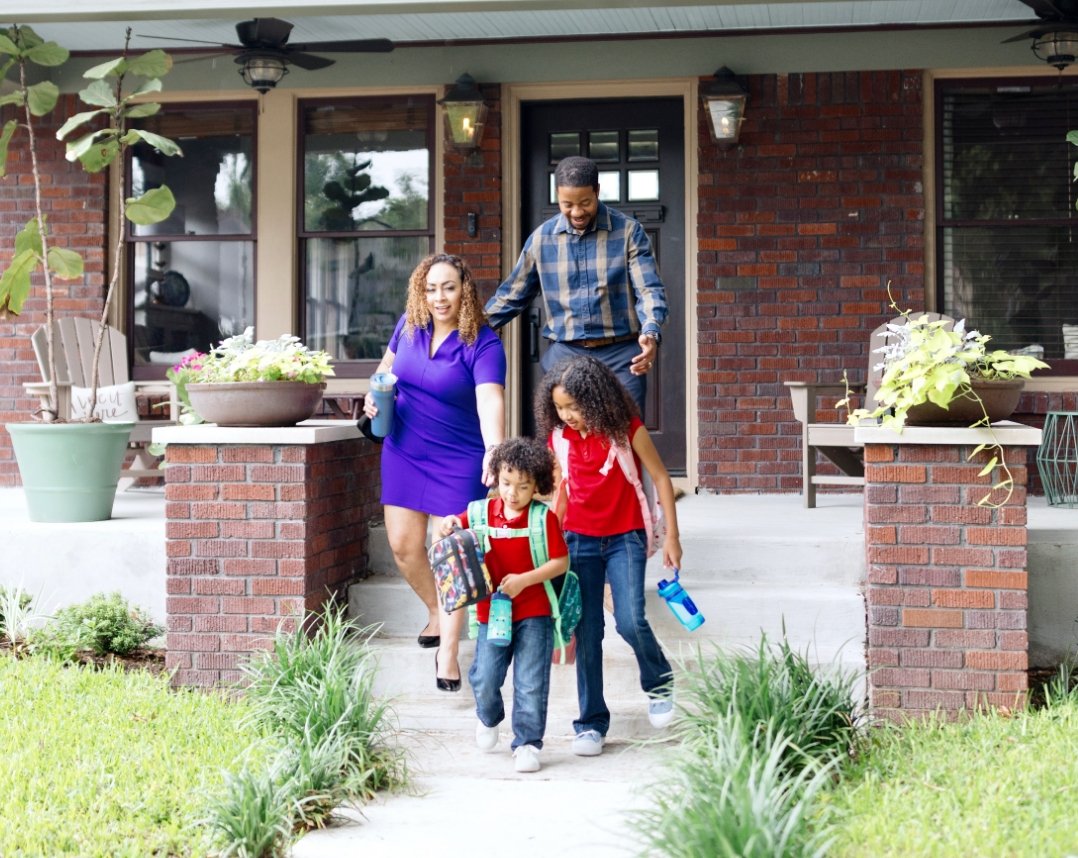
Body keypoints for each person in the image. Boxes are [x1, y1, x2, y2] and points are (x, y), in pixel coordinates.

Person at [363, 253, 506, 692]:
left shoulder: (483, 343)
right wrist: (372, 396)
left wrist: (494, 450)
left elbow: (489, 400)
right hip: (404, 449)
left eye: (448, 287)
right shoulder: (408, 326)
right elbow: (385, 371)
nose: (439, 297)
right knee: (405, 547)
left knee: (450, 554)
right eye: (430, 288)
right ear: (419, 292)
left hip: (457, 458)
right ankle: (435, 610)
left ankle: (448, 650)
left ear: (465, 289)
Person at [535, 354, 681, 757]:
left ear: (596, 399)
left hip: (625, 538)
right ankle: (590, 723)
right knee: (588, 632)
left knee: (631, 620)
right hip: (579, 541)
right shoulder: (559, 439)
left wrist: (673, 538)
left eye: (574, 407)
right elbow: (562, 488)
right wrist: (550, 537)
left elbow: (661, 477)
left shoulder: (625, 431)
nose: (566, 416)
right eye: (559, 408)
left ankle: (659, 683)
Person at [484, 155, 667, 416]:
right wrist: (464, 331)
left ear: (597, 192)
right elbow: (511, 296)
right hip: (564, 356)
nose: (577, 212)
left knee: (624, 443)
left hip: (621, 356)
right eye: (567, 204)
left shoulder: (628, 232)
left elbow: (648, 290)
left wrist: (650, 331)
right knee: (566, 443)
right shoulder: (541, 239)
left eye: (585, 203)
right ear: (557, 196)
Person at [437, 437, 569, 773]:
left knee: (530, 681)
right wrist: (448, 523)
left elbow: (560, 562)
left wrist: (526, 579)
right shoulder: (480, 512)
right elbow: (454, 526)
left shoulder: (543, 519)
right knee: (485, 676)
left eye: (523, 487)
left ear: (537, 486)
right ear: (496, 476)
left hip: (534, 611)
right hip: (490, 613)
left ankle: (526, 743)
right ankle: (489, 715)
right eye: (506, 483)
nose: (512, 493)